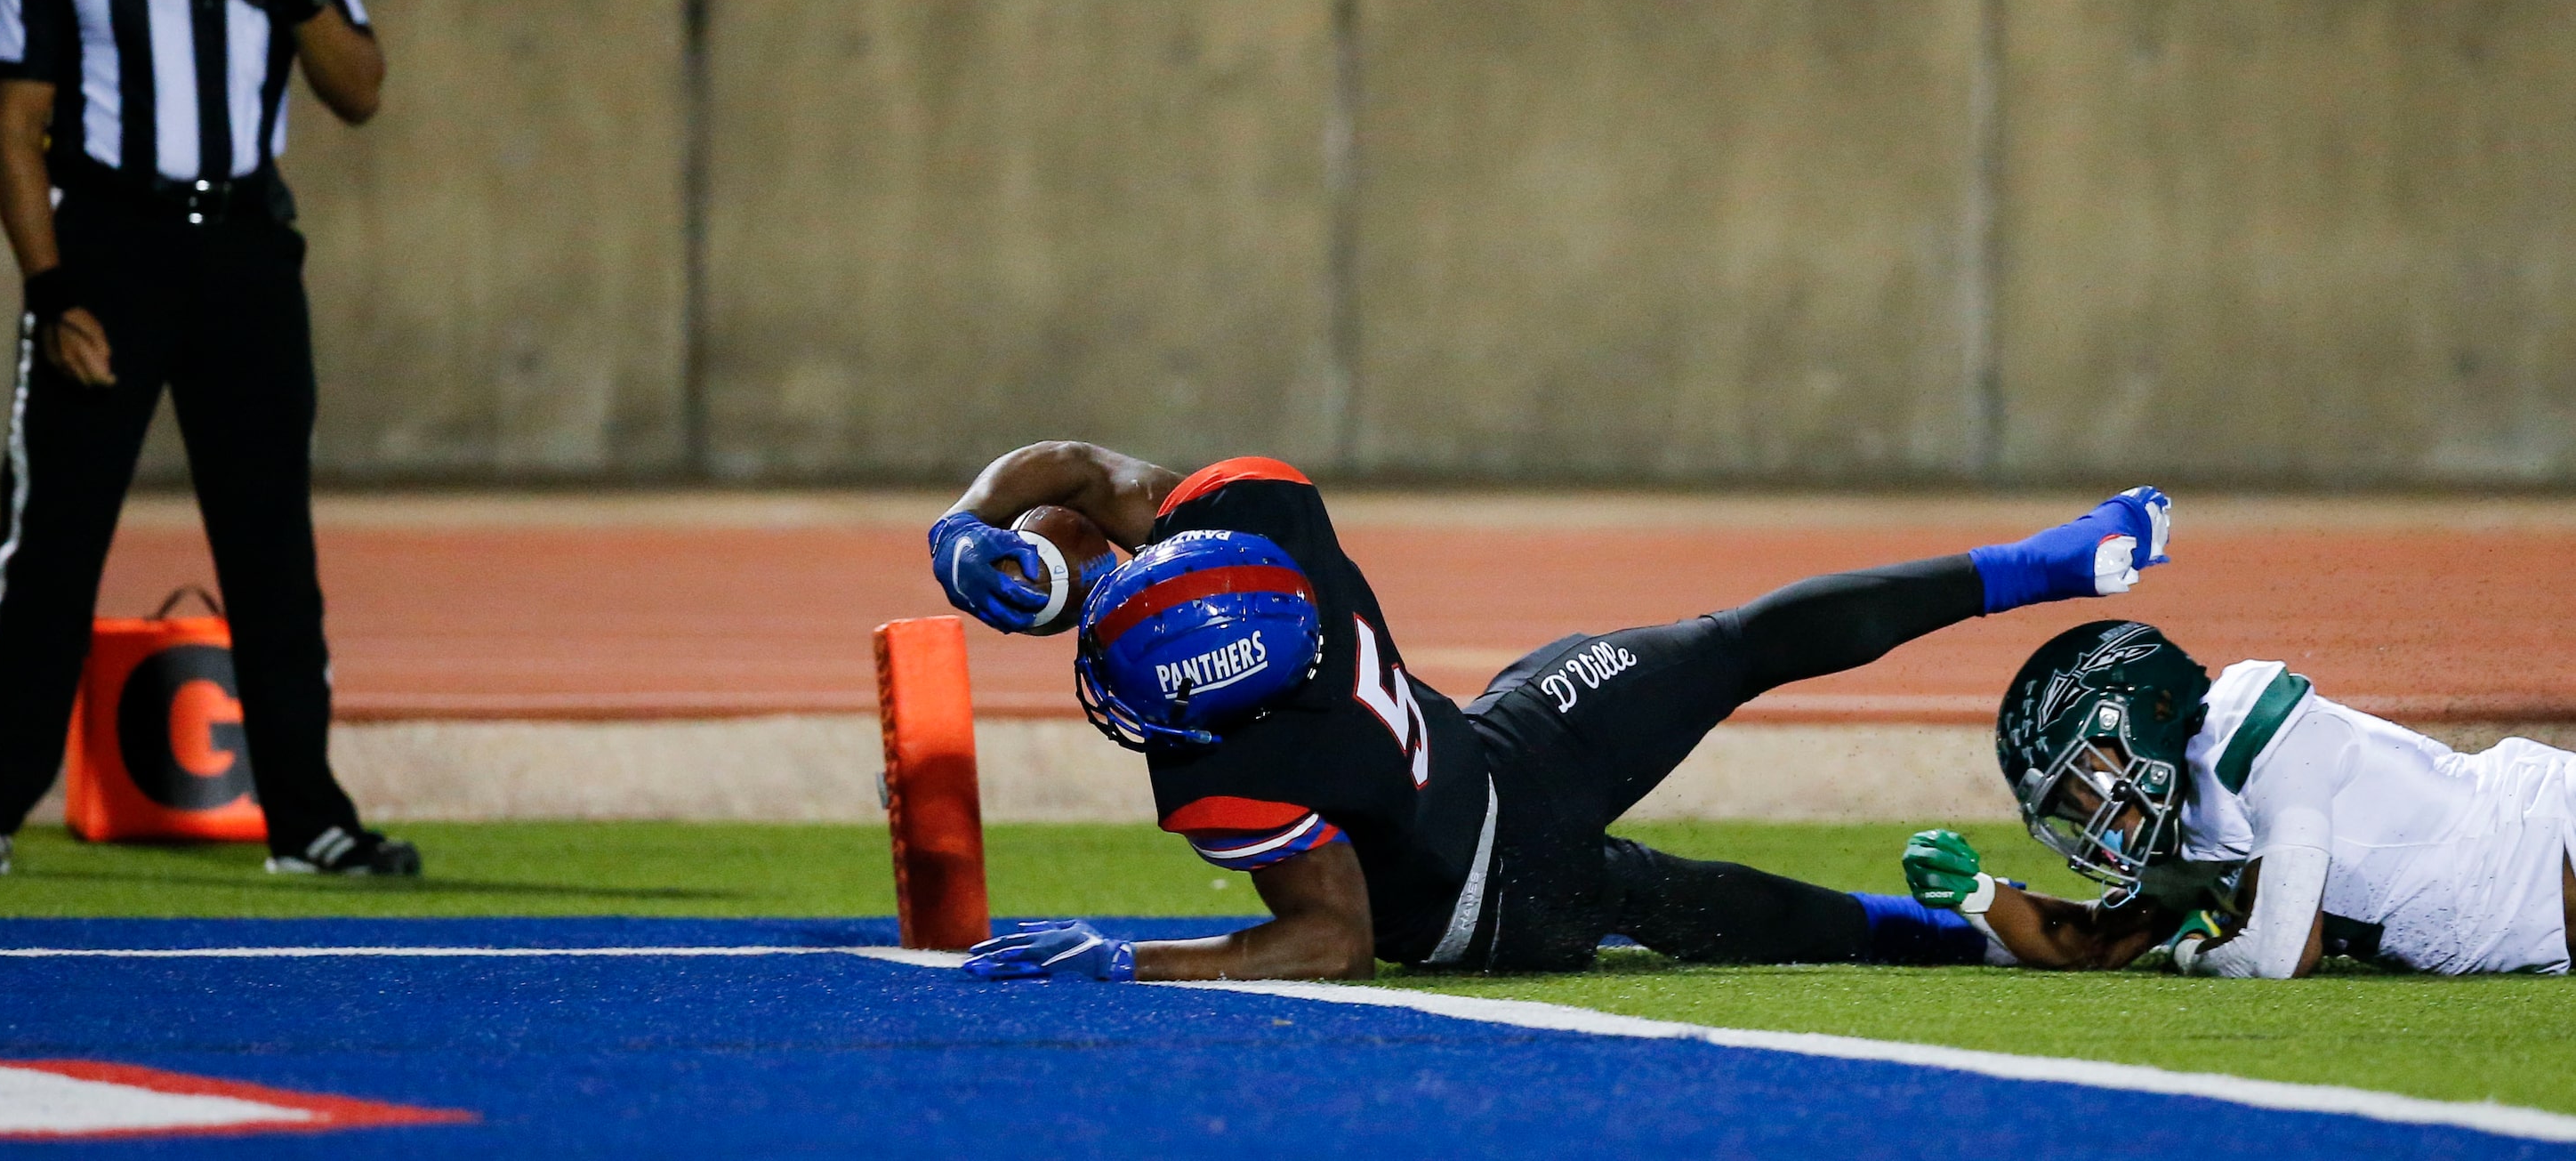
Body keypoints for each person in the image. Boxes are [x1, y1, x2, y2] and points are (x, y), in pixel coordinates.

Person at [925, 442, 2174, 981]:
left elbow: (1331, 941)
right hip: (1497, 834)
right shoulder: (1265, 523)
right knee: (1740, 864)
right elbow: (1082, 471)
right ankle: (1980, 923)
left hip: (1481, 848)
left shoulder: (1221, 773)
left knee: (1723, 679)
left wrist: (1132, 960)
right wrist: (973, 527)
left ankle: (2043, 571)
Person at [0, 0, 419, 882]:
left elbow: (358, 90)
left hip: (247, 250)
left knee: (270, 546)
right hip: (110, 242)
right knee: (51, 538)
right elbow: (14, 124)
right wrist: (52, 291)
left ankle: (305, 816)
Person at [1901, 619, 2576, 978]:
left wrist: (2193, 953)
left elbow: (2280, 954)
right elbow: (2091, 945)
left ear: (2147, 716)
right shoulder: (2187, 830)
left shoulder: (2260, 733)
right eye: (2070, 805)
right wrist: (1978, 894)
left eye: (2085, 782)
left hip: (2549, 832)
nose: (2090, 816)